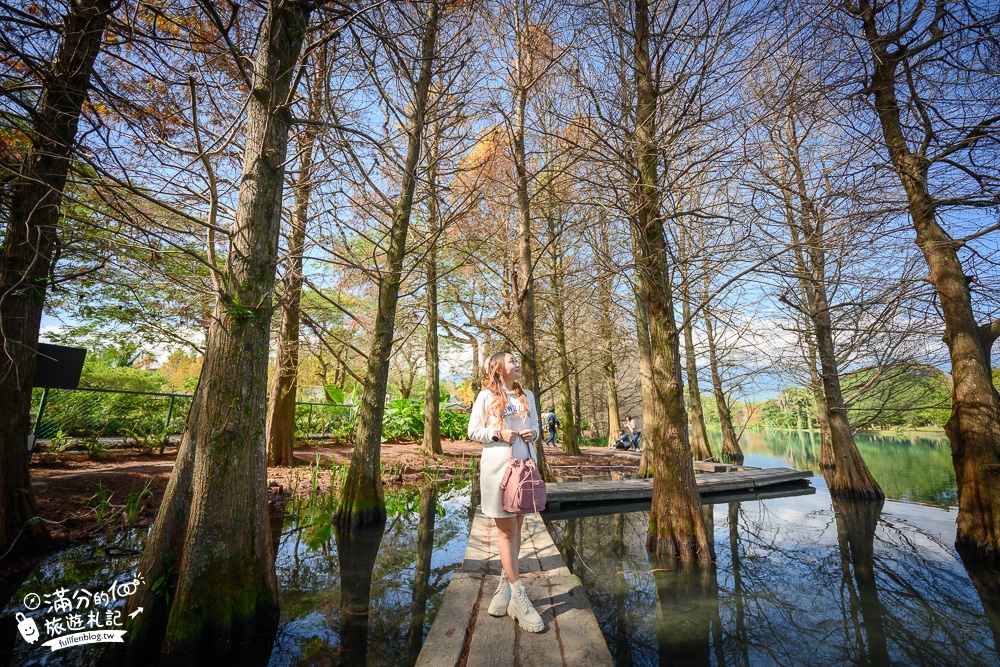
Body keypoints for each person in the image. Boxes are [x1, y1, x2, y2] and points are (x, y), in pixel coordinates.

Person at [467, 351, 546, 633]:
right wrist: (498, 433)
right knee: (507, 531)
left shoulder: (528, 396)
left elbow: (536, 426)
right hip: (497, 471)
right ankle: (518, 596)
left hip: (524, 470)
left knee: (517, 528)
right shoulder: (486, 396)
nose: (518, 363)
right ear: (499, 368)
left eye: (517, 360)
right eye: (512, 361)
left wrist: (532, 434)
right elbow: (473, 430)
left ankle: (505, 587)